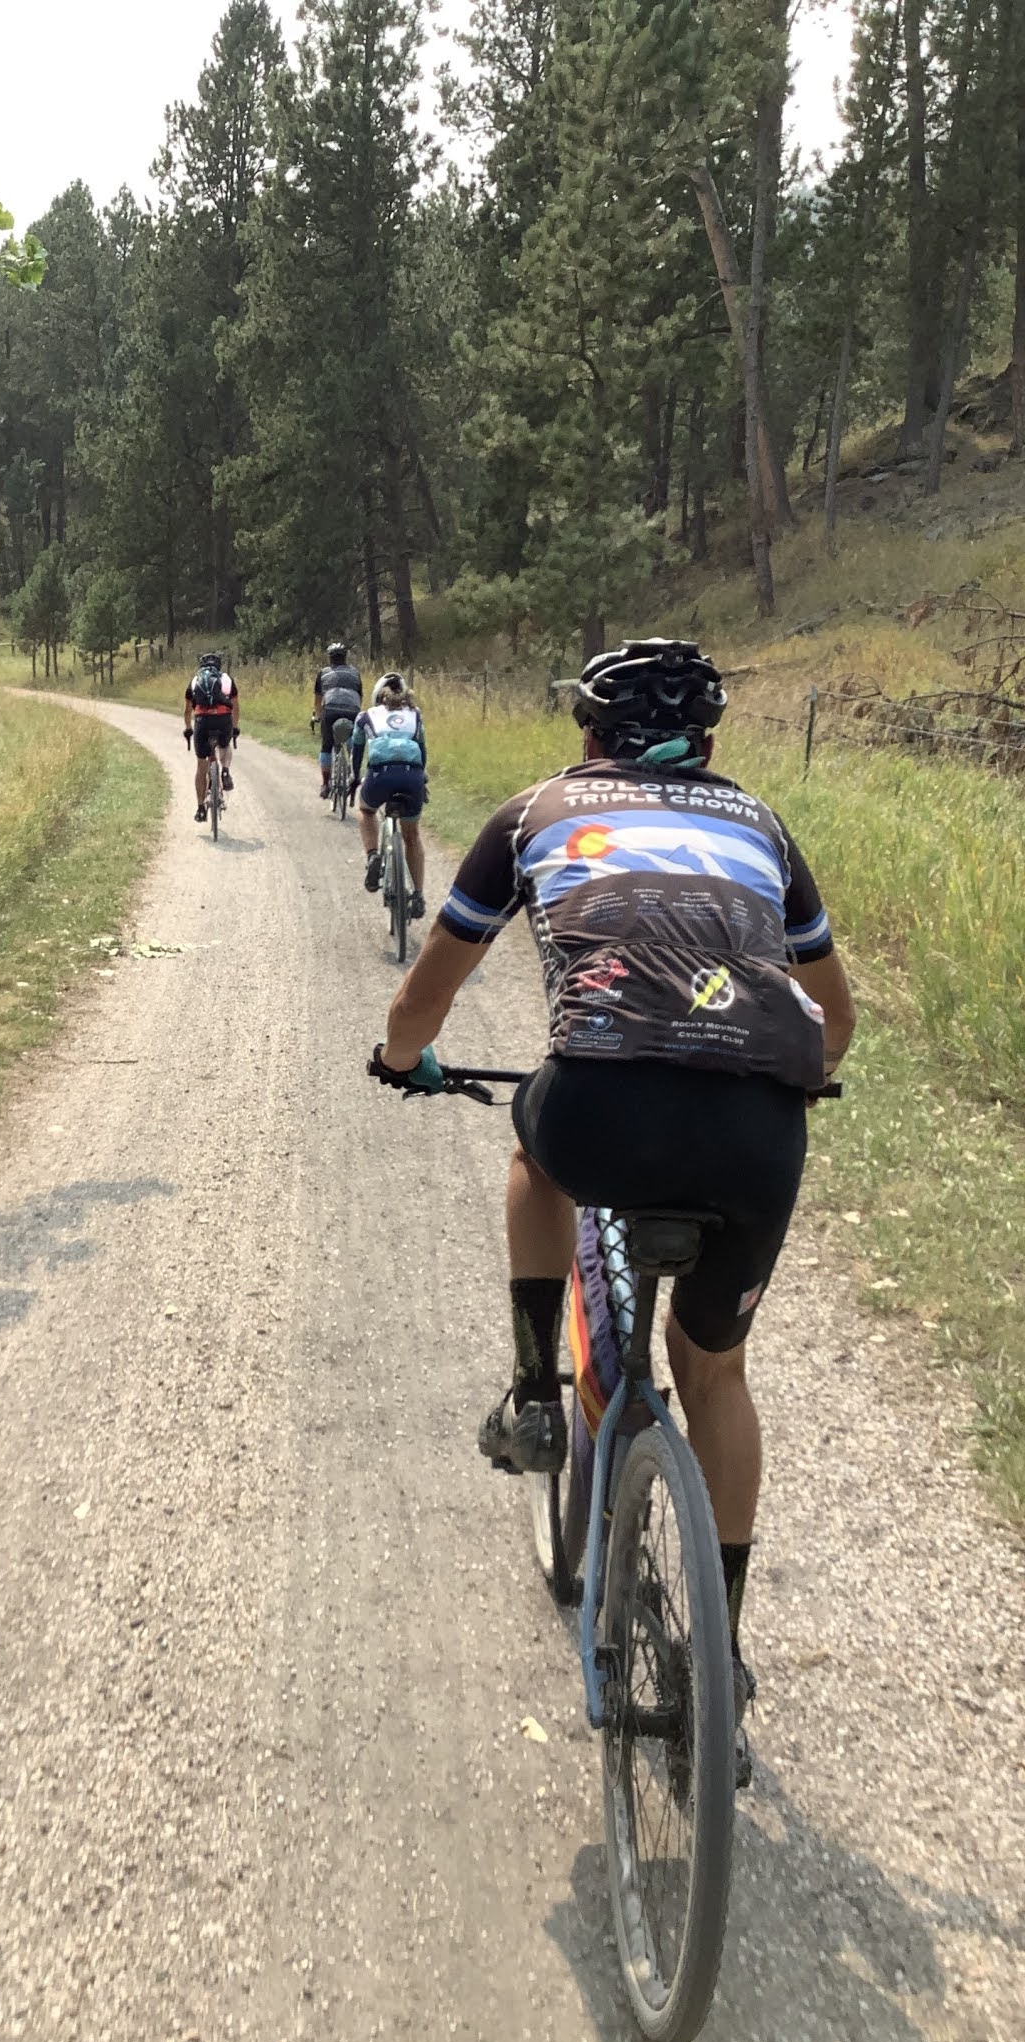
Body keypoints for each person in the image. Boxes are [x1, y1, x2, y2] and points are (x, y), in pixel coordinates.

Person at [368, 638, 855, 1770]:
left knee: (537, 1159)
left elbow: (426, 993)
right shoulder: (764, 827)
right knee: (716, 1368)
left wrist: (404, 1058)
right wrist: (797, 1075)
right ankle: (720, 1657)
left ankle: (539, 1391)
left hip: (599, 1109)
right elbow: (832, 1018)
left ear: (587, 734)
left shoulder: (536, 810)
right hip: (755, 1134)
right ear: (713, 742)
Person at [352, 674, 428, 919]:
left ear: (377, 697)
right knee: (412, 835)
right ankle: (417, 895)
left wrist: (355, 777)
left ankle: (373, 855)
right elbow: (422, 750)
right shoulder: (415, 715)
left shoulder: (366, 716)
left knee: (366, 810)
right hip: (411, 776)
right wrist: (421, 779)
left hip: (380, 775)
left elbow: (357, 749)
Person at [183, 652, 238, 821]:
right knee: (224, 746)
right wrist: (234, 728)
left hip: (202, 721)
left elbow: (187, 712)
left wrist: (188, 728)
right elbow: (235, 708)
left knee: (201, 766)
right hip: (222, 720)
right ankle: (225, 771)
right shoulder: (227, 680)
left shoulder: (194, 681)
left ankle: (200, 809)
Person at [312, 641, 363, 798]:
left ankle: (325, 785)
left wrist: (317, 716)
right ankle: (353, 771)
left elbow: (318, 700)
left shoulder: (323, 673)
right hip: (353, 709)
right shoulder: (355, 673)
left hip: (331, 709)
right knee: (354, 743)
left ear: (330, 658)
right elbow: (360, 695)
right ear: (345, 658)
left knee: (326, 746)